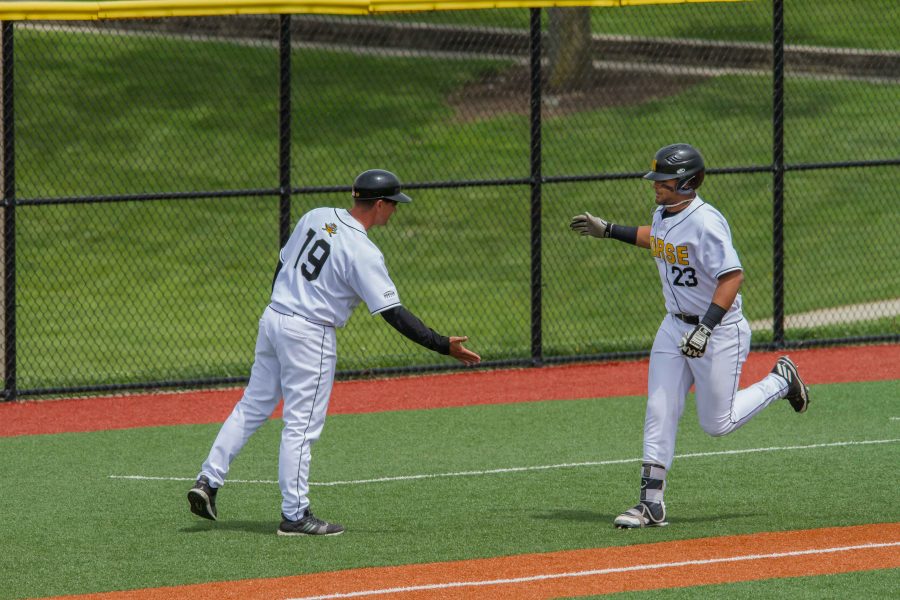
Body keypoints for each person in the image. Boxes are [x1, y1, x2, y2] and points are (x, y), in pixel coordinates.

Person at [188, 169, 481, 536]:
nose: (395, 211)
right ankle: (295, 515)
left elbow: (282, 262)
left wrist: (282, 303)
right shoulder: (363, 251)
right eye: (393, 204)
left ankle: (208, 481)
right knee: (301, 425)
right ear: (378, 204)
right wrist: (443, 345)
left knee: (252, 405)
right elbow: (394, 314)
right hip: (309, 334)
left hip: (274, 318)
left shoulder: (317, 215)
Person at [569, 143, 809, 529]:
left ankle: (780, 381)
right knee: (660, 408)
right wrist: (610, 230)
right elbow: (659, 239)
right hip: (673, 326)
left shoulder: (706, 222)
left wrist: (706, 327)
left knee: (718, 423)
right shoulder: (664, 211)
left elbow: (732, 277)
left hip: (718, 330)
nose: (655, 185)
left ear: (685, 181)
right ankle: (650, 504)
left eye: (663, 180)